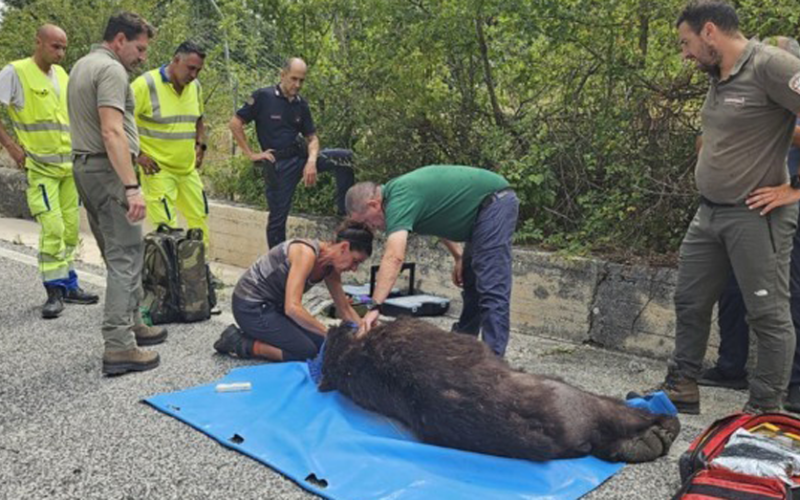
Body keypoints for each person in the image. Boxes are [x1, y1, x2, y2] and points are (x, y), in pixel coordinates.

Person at [641, 1, 800, 414]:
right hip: (708, 213)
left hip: (755, 214)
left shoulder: (771, 65)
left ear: (709, 31)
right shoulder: (718, 74)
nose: (685, 54)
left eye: (686, 43)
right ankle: (682, 388)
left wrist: (795, 189)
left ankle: (765, 409)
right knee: (689, 299)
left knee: (767, 314)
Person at [698, 37, 800, 410]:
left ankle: (792, 384)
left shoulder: (786, 86)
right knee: (730, 290)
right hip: (737, 206)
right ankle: (730, 366)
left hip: (779, 202)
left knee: (783, 297)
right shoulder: (735, 82)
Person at [69, 12, 167, 375]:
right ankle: (119, 346)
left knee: (118, 255)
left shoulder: (82, 64)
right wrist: (132, 186)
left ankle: (133, 325)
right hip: (109, 172)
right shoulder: (111, 71)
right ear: (120, 40)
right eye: (139, 48)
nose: (142, 57)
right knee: (126, 256)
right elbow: (112, 132)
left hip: (85, 168)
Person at [345, 165, 519, 357]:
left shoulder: (398, 200)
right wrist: (458, 256)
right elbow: (437, 219)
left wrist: (375, 306)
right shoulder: (398, 197)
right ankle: (461, 348)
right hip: (478, 215)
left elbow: (394, 257)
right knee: (472, 285)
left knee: (490, 286)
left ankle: (494, 367)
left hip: (494, 204)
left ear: (373, 204)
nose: (372, 227)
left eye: (368, 222)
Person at [0, 24, 99, 318]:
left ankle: (70, 284)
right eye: (55, 46)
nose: (61, 53)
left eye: (64, 48)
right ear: (39, 42)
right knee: (53, 228)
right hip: (41, 168)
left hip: (69, 168)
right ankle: (53, 291)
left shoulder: (63, 76)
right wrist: (11, 146)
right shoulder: (15, 72)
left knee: (69, 230)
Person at [228, 57, 355, 248]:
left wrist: (312, 161)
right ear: (282, 74)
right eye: (294, 79)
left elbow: (312, 138)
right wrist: (252, 154)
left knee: (345, 158)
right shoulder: (263, 96)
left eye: (301, 80)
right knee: (278, 220)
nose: (297, 84)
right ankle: (276, 266)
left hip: (301, 158)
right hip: (279, 164)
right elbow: (235, 123)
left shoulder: (301, 104)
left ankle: (344, 215)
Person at [213, 220, 373, 362]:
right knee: (306, 351)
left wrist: (367, 334)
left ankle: (265, 333)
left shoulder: (331, 267)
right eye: (355, 261)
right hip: (250, 307)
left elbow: (344, 308)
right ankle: (240, 342)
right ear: (344, 247)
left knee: (320, 345)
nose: (354, 269)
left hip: (275, 309)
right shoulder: (306, 253)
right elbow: (293, 308)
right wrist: (328, 333)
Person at [132, 41, 211, 251]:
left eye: (198, 70)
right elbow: (119, 122)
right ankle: (171, 278)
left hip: (187, 169)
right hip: (158, 170)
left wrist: (200, 145)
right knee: (166, 229)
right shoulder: (145, 85)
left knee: (200, 219)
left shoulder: (195, 87)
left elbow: (199, 118)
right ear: (176, 60)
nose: (194, 75)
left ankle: (199, 271)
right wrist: (137, 154)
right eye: (190, 68)